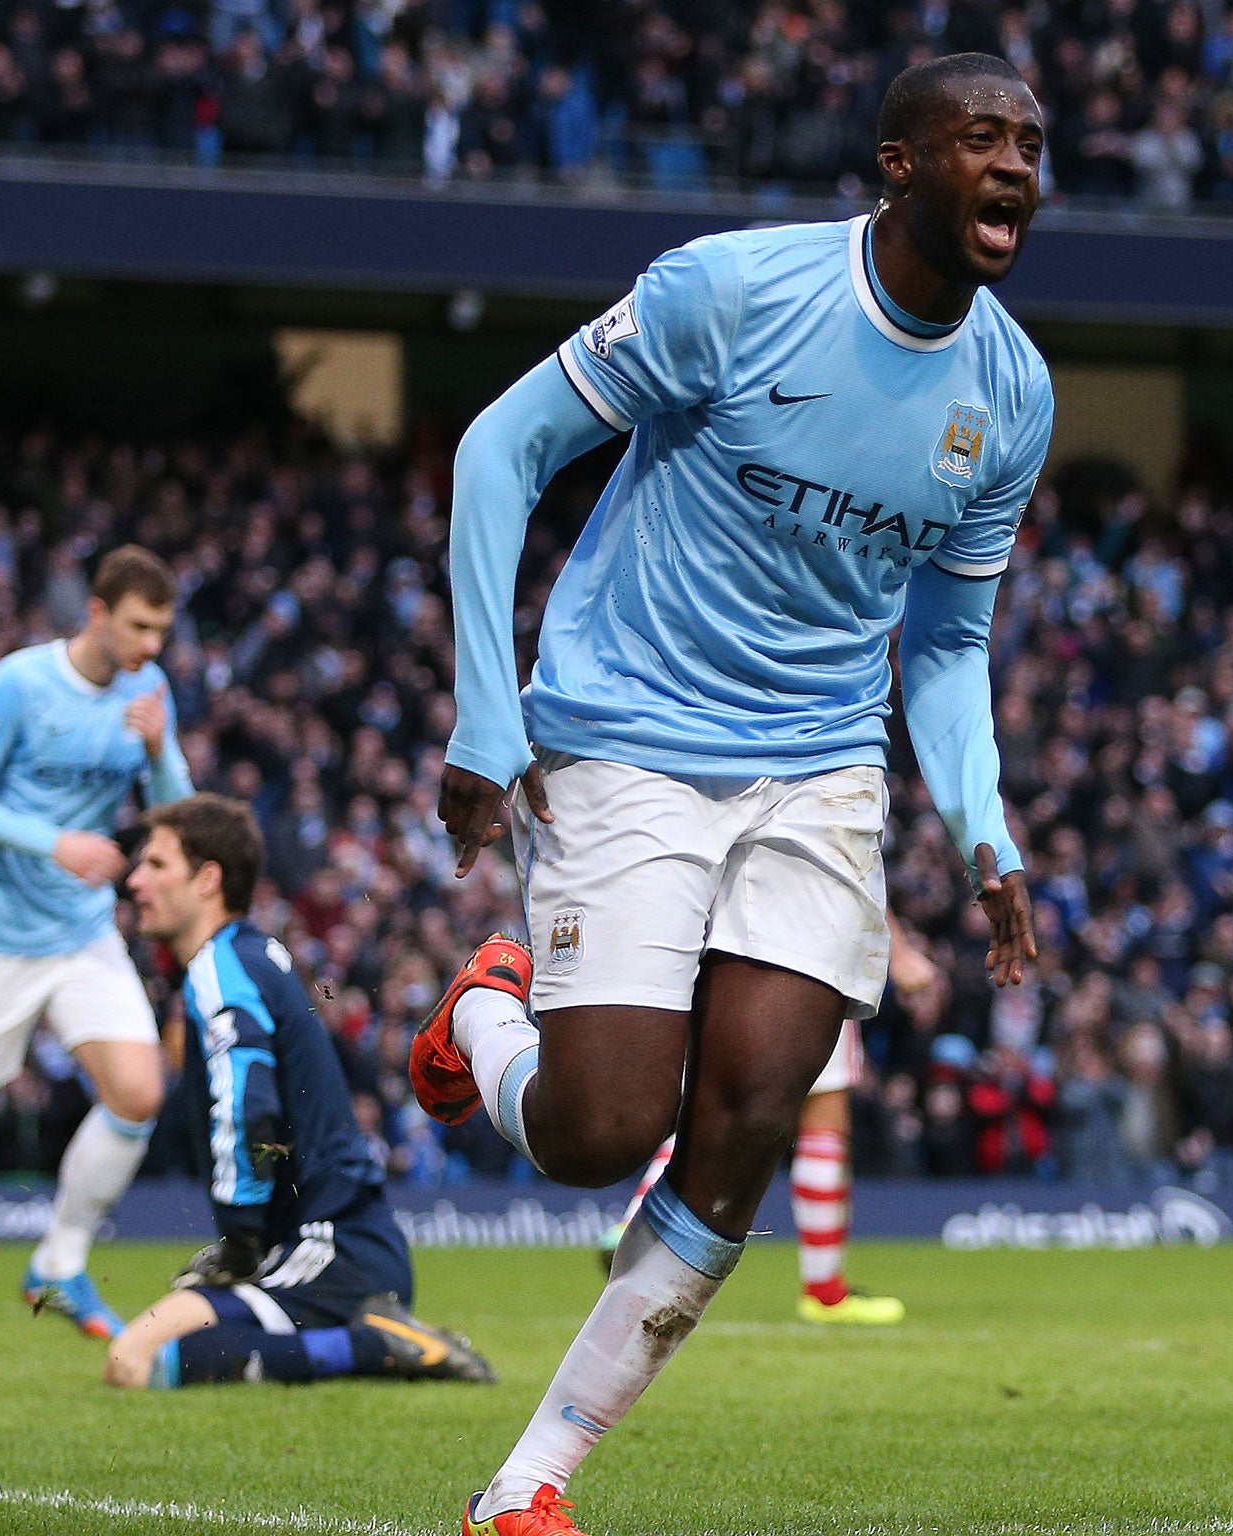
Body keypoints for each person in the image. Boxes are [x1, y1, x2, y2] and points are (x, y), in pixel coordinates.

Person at [412, 53, 1050, 1536]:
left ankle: (530, 1483)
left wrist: (986, 825)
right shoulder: (732, 292)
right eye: (981, 138)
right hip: (626, 735)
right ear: (901, 164)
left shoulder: (1010, 393)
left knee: (753, 1116)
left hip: (819, 765)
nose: (1014, 166)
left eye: (1030, 143)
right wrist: (484, 721)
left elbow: (947, 646)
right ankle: (481, 1021)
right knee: (597, 1133)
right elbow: (500, 450)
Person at [103, 794, 494, 1389]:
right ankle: (374, 1338)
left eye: (156, 865)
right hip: (339, 1242)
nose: (134, 881)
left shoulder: (220, 967)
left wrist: (239, 1239)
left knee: (135, 1360)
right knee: (164, 1356)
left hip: (329, 1245)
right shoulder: (248, 956)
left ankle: (369, 1344)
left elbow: (246, 1104)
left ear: (208, 880)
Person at [0, 545, 194, 1346]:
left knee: (138, 1091)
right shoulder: (20, 682)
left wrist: (160, 751)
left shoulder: (149, 692)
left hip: (81, 930)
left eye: (162, 632)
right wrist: (54, 843)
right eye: (139, 627)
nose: (151, 647)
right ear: (96, 613)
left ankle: (59, 1263)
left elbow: (178, 814)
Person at [600, 917, 941, 1324]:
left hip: (717, 937)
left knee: (714, 1097)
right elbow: (852, 855)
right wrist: (899, 953)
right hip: (806, 935)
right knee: (824, 1110)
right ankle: (825, 1291)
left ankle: (633, 1220)